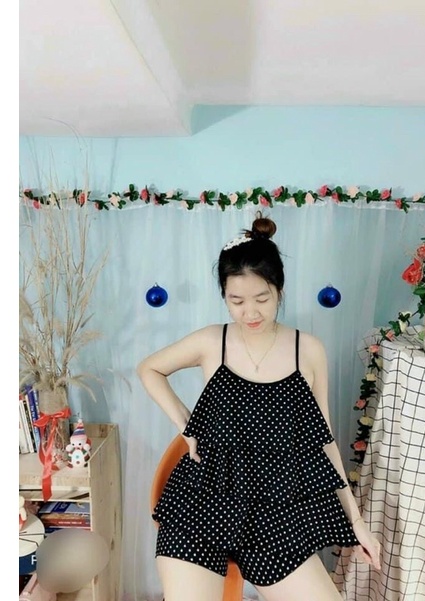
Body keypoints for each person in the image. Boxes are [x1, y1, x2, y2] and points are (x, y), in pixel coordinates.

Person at [137, 213, 381, 601]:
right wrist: (186, 424)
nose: (250, 313)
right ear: (224, 296)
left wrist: (357, 521)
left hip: (275, 515)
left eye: (261, 299)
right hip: (203, 503)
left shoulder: (307, 350)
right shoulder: (211, 341)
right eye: (236, 301)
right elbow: (149, 368)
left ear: (279, 290)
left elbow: (324, 442)